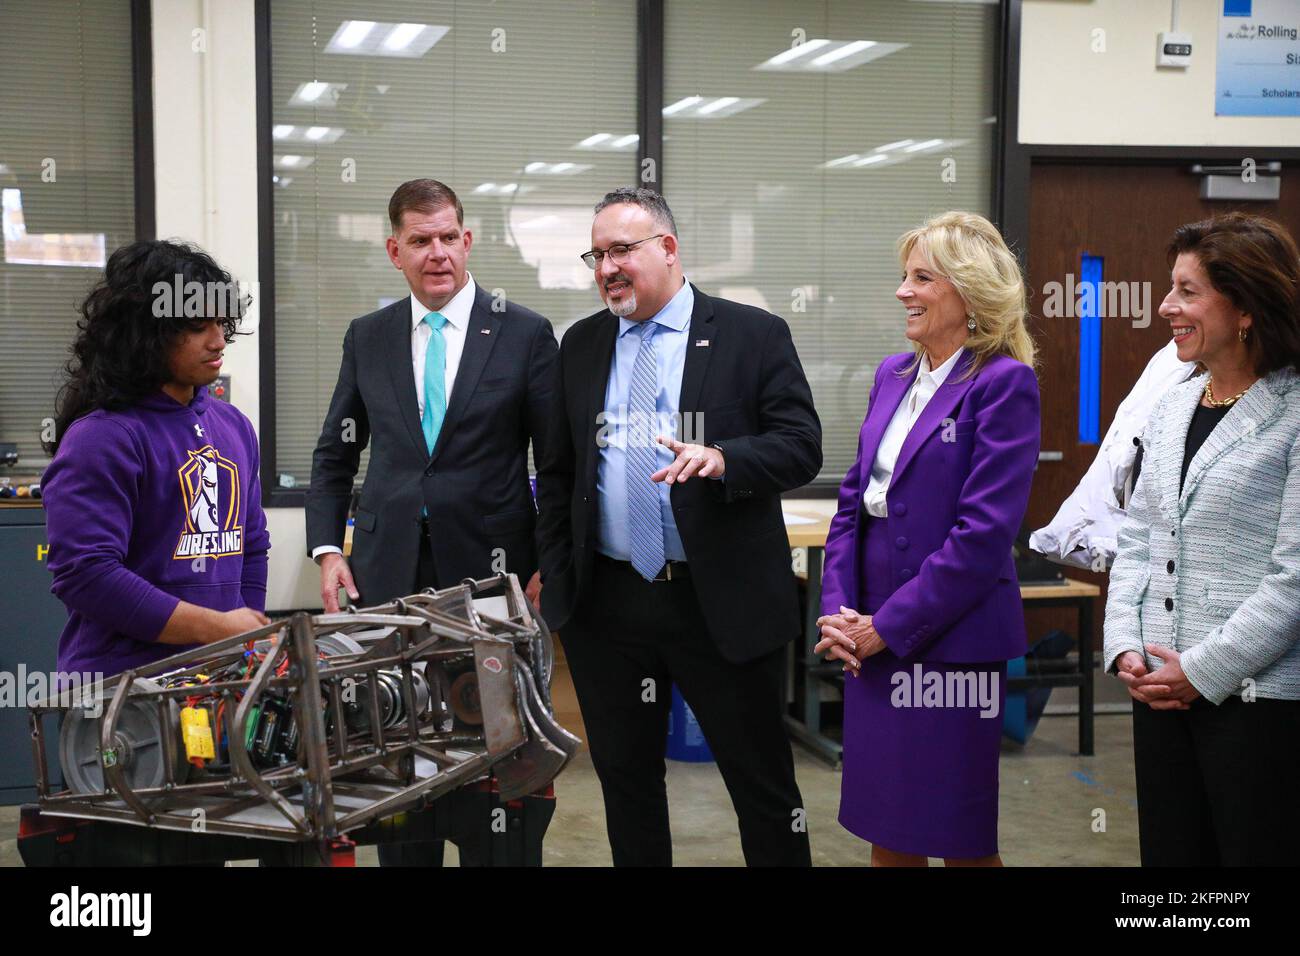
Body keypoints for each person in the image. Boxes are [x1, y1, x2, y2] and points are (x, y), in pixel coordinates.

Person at [534, 187, 820, 866]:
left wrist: (725, 458)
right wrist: (564, 581)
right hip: (609, 605)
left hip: (717, 600)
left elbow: (801, 445)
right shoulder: (581, 344)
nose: (606, 268)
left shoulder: (752, 334)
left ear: (668, 249)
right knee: (628, 786)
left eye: (621, 250)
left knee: (765, 791)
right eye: (596, 254)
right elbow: (558, 472)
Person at [306, 178, 558, 867]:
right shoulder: (369, 336)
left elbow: (557, 463)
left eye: (449, 236)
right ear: (395, 250)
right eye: (421, 240)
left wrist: (548, 564)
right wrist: (330, 550)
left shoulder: (525, 332)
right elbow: (336, 452)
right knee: (398, 756)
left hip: (492, 579)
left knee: (497, 763)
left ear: (467, 239)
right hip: (388, 579)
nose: (437, 252)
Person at [816, 211, 1040, 866]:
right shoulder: (892, 375)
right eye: (903, 276)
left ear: (969, 293)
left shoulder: (1002, 384)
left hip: (950, 642)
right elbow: (854, 502)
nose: (902, 292)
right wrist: (839, 614)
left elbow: (983, 537)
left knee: (956, 835)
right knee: (889, 824)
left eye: (921, 278)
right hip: (870, 638)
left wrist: (887, 625)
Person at [1103, 212, 1300, 867]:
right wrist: (1126, 646)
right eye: (1170, 289)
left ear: (1244, 306)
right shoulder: (1174, 405)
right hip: (1159, 689)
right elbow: (1138, 539)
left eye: (1187, 292)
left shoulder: (1293, 411)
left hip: (1256, 701)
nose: (1166, 307)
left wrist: (1203, 670)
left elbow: (1293, 578)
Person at [43, 239, 271, 679]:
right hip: (123, 693)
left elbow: (253, 543)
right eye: (198, 326)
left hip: (217, 679)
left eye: (221, 322)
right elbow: (87, 575)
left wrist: (239, 638)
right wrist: (218, 627)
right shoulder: (103, 437)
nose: (218, 339)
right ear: (147, 334)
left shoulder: (234, 426)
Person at [1030, 340, 1196, 571]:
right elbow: (1125, 433)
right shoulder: (1172, 359)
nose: (1166, 307)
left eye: (1190, 299)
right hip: (1144, 566)